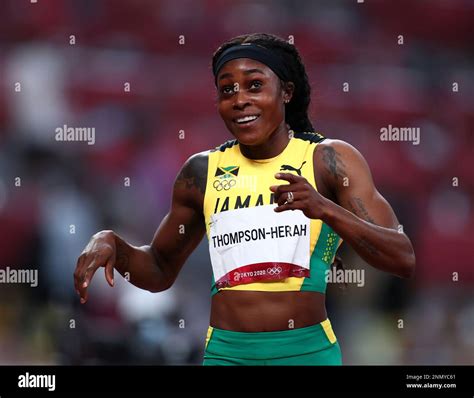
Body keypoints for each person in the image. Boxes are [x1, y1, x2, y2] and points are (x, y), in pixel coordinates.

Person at [74, 33, 416, 366]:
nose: (239, 100)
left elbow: (402, 257)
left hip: (306, 352)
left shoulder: (328, 160)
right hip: (227, 354)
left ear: (287, 92)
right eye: (227, 90)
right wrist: (115, 246)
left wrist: (324, 209)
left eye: (254, 85)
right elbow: (159, 270)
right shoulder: (202, 172)